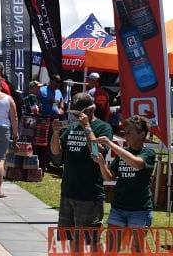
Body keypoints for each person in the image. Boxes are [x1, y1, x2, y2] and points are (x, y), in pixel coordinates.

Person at [50, 93, 113, 246]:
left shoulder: (103, 127)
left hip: (89, 195)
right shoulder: (72, 127)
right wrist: (56, 132)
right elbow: (56, 151)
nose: (77, 117)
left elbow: (97, 152)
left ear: (91, 110)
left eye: (80, 113)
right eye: (75, 113)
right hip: (69, 191)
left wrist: (87, 128)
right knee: (71, 239)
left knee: (92, 242)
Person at [92, 115, 155, 227]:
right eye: (124, 133)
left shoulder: (148, 153)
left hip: (139, 210)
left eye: (129, 133)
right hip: (118, 208)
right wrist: (101, 164)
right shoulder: (123, 152)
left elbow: (137, 163)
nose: (125, 136)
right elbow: (109, 177)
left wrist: (111, 144)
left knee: (136, 245)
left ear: (142, 134)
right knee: (113, 245)